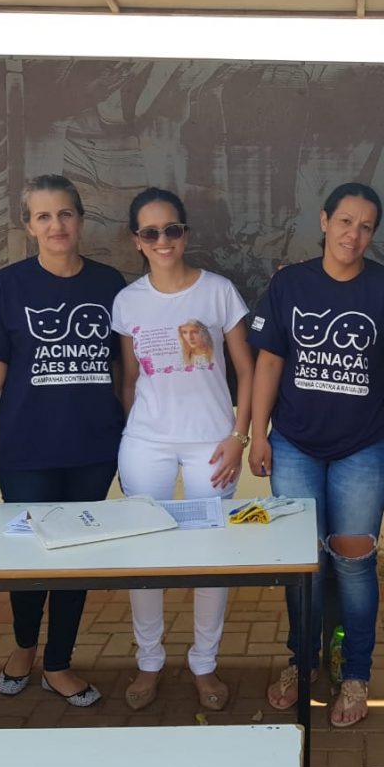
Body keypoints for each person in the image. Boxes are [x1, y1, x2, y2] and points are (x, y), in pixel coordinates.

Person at [0, 174, 125, 707]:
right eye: (43, 216)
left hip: (94, 449)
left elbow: (124, 370)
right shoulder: (6, 286)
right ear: (29, 227)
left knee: (75, 559)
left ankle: (58, 662)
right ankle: (23, 646)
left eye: (65, 213)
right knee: (28, 556)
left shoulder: (112, 285)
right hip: (27, 451)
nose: (56, 225)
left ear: (80, 219)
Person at [248, 182, 384, 728]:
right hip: (294, 444)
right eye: (344, 221)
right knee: (304, 564)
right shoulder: (290, 283)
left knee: (354, 564)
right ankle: (302, 661)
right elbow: (269, 361)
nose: (353, 235)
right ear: (323, 221)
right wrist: (259, 434)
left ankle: (355, 673)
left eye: (365, 226)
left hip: (365, 447)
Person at [111, 187, 253, 712]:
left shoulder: (218, 292)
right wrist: (137, 431)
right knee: (144, 555)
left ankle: (204, 662)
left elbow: (247, 370)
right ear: (137, 241)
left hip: (212, 444)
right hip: (147, 442)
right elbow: (129, 379)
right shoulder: (128, 301)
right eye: (150, 232)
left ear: (185, 233)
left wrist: (239, 437)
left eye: (171, 229)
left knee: (209, 557)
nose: (162, 240)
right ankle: (149, 661)